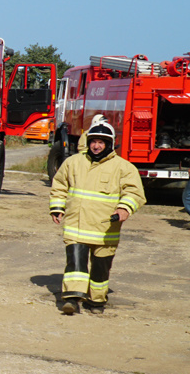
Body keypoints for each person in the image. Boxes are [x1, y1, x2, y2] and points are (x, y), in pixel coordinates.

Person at [48, 116, 143, 315]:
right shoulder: (73, 162)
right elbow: (59, 185)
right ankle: (72, 300)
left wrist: (124, 208)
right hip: (77, 226)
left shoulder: (124, 167)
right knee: (75, 265)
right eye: (93, 141)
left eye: (101, 142)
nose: (96, 146)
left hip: (105, 230)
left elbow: (134, 192)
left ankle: (97, 301)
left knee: (100, 269)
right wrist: (57, 208)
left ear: (109, 144)